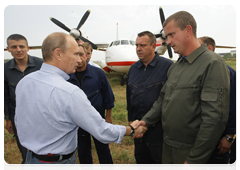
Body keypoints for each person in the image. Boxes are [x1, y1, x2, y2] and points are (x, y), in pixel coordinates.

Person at [14, 32, 147, 170]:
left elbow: (21, 122)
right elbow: (101, 130)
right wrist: (131, 130)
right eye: (75, 54)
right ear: (58, 54)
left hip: (30, 160)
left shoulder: (25, 82)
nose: (79, 60)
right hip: (58, 165)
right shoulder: (69, 92)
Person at [134, 11, 230, 170]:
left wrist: (195, 160)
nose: (168, 41)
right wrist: (146, 120)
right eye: (166, 36)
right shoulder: (176, 66)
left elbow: (214, 120)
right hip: (168, 145)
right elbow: (163, 99)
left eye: (171, 35)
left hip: (190, 150)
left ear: (188, 30)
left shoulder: (212, 63)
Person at [127, 31, 173, 170]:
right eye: (136, 45)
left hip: (159, 129)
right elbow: (129, 96)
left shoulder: (167, 67)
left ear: (154, 46)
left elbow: (169, 99)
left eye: (142, 45)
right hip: (138, 127)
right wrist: (131, 119)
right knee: (142, 160)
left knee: (159, 162)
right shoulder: (133, 69)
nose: (138, 49)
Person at [68, 44, 114, 170]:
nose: (79, 58)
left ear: (87, 55)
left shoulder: (98, 73)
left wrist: (108, 117)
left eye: (81, 54)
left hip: (98, 121)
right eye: (75, 54)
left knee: (103, 149)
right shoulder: (67, 77)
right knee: (83, 151)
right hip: (78, 123)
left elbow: (108, 96)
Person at [198, 36, 238, 170]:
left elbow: (233, 106)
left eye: (198, 47)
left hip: (219, 137)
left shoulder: (229, 73)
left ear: (209, 49)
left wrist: (229, 136)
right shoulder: (199, 72)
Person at [4, 34, 43, 170]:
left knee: (41, 148)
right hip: (18, 116)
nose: (18, 49)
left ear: (28, 48)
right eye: (14, 47)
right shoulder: (5, 69)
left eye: (22, 46)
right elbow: (5, 97)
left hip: (40, 114)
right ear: (8, 49)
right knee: (24, 148)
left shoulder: (41, 64)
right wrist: (8, 119)